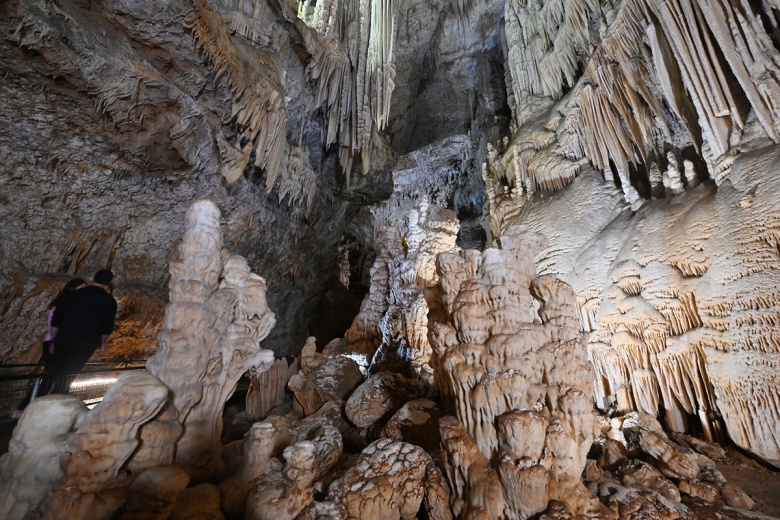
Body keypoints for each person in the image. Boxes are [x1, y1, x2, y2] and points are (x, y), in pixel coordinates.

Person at [9, 277, 87, 418]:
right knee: (49, 379)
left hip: (68, 348)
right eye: (81, 289)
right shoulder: (60, 306)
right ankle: (23, 408)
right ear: (71, 290)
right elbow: (55, 327)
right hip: (54, 345)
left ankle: (51, 411)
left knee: (64, 381)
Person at [49, 269, 118, 394]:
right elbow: (107, 326)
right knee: (70, 374)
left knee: (56, 372)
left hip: (64, 339)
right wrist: (103, 343)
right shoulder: (109, 301)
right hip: (86, 343)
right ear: (108, 283)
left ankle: (47, 397)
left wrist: (54, 340)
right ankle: (59, 395)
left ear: (93, 278)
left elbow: (56, 320)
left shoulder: (72, 295)